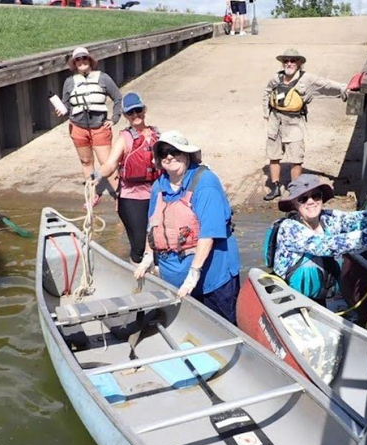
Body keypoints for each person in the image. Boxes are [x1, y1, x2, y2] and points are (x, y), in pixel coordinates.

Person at [133, 131, 241, 324]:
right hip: (173, 280)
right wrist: (148, 257)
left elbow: (208, 233)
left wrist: (194, 273)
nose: (169, 156)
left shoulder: (206, 182)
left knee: (220, 327)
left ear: (187, 154)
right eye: (164, 152)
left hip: (212, 279)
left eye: (175, 151)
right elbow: (153, 224)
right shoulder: (159, 185)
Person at [269, 174, 367, 305]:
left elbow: (358, 218)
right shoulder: (290, 229)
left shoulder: (327, 218)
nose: (311, 202)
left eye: (316, 195)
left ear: (322, 198)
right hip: (288, 298)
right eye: (303, 199)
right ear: (294, 204)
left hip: (316, 297)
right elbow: (327, 245)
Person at [262, 49, 350, 201]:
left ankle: (295, 189)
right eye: (286, 61)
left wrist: (345, 88)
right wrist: (266, 113)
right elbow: (267, 92)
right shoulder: (276, 77)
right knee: (274, 155)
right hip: (275, 121)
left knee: (296, 158)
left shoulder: (307, 78)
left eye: (293, 60)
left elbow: (326, 84)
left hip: (294, 122)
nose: (289, 63)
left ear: (299, 63)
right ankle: (275, 187)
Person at [97, 92, 160, 264]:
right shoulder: (124, 138)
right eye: (130, 113)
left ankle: (158, 275)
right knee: (139, 245)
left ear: (144, 110)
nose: (135, 115)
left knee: (159, 241)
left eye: (138, 110)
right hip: (132, 197)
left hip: (157, 194)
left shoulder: (157, 135)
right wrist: (96, 177)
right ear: (125, 115)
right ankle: (137, 279)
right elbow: (110, 165)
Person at [56, 47, 123, 195]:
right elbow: (66, 104)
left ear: (90, 60)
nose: (81, 62)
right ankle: (92, 195)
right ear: (74, 64)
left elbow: (118, 98)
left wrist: (114, 118)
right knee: (86, 162)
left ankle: (121, 196)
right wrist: (62, 109)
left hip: (99, 127)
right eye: (78, 60)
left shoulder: (103, 78)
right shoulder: (69, 82)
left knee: (107, 164)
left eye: (84, 58)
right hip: (78, 128)